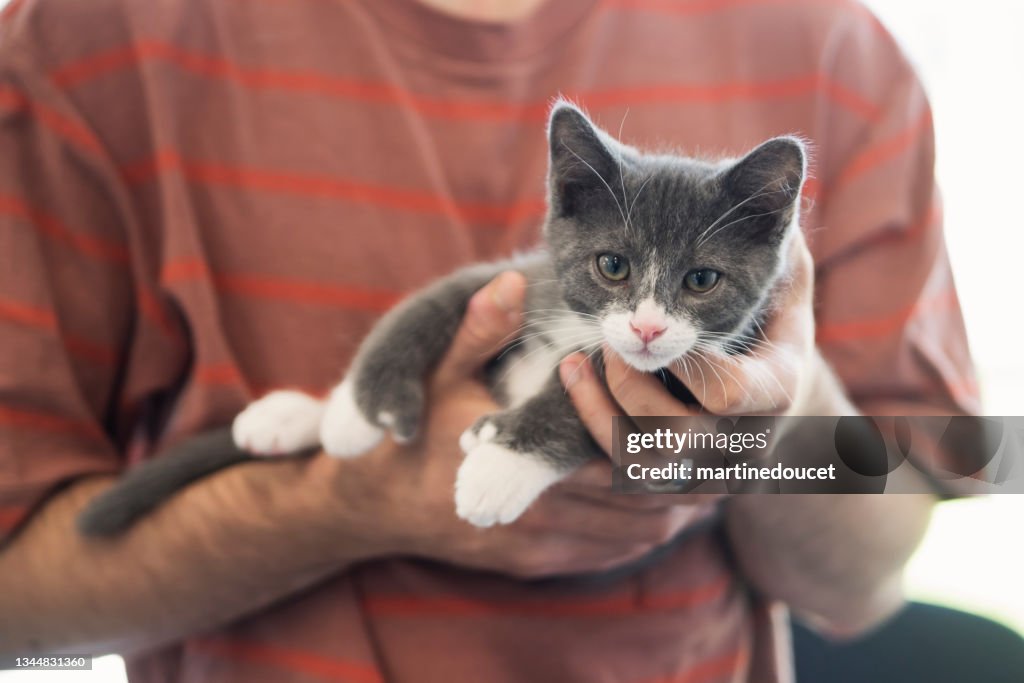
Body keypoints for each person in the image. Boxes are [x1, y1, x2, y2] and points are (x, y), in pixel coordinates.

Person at [0, 0, 977, 681]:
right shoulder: (86, 38)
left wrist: (779, 410)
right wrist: (344, 502)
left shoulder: (837, 48)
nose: (644, 312)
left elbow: (869, 577)